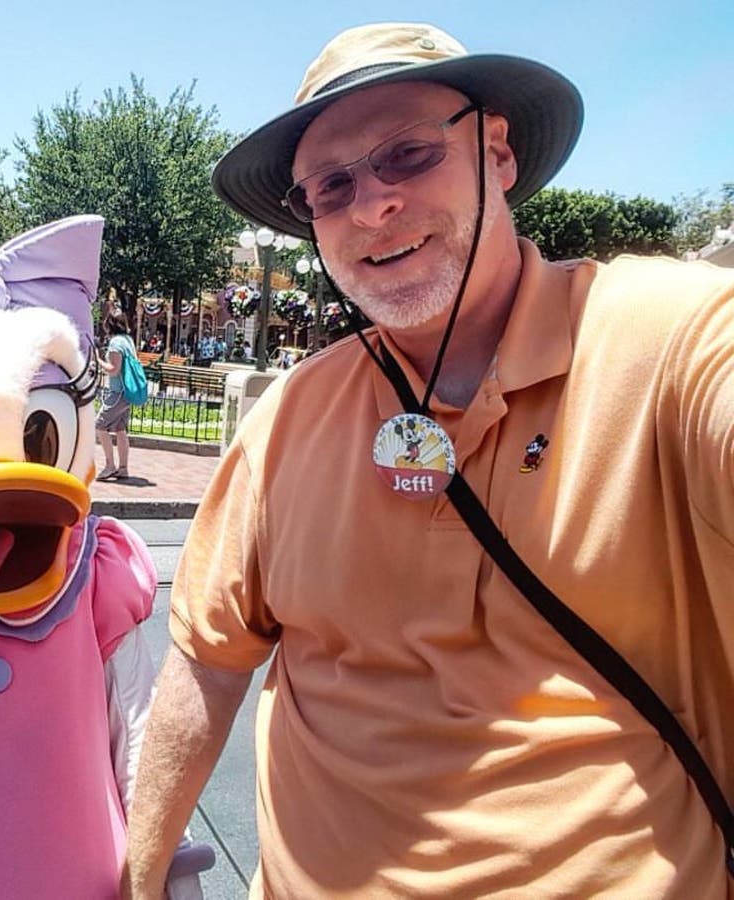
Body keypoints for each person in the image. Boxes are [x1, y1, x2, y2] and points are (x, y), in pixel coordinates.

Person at [124, 21, 734, 898]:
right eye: (331, 187)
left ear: (497, 154)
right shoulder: (290, 418)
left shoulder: (671, 341)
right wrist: (139, 879)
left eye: (408, 155)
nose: (370, 206)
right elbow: (207, 670)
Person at [96, 308, 135, 481]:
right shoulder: (128, 340)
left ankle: (110, 465)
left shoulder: (116, 343)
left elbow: (114, 370)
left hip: (118, 392)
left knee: (99, 425)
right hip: (127, 392)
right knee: (120, 429)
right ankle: (123, 468)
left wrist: (98, 360)